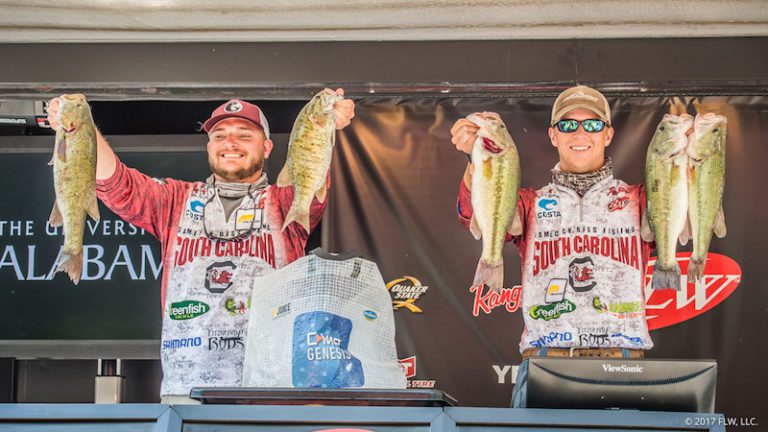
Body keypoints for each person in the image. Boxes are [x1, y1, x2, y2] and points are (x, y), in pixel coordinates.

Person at [47, 90, 355, 403]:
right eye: (219, 135)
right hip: (187, 393)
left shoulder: (285, 202)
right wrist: (77, 121)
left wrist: (326, 120)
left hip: (270, 393)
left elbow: (311, 168)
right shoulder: (174, 200)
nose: (230, 143)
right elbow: (117, 183)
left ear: (267, 146)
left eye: (244, 135)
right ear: (209, 146)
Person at [450, 85, 654, 408]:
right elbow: (473, 214)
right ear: (553, 135)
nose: (580, 133)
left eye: (593, 124)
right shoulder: (531, 203)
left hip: (623, 360)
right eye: (569, 125)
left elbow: (682, 206)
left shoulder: (637, 199)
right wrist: (476, 158)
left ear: (609, 134)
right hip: (545, 362)